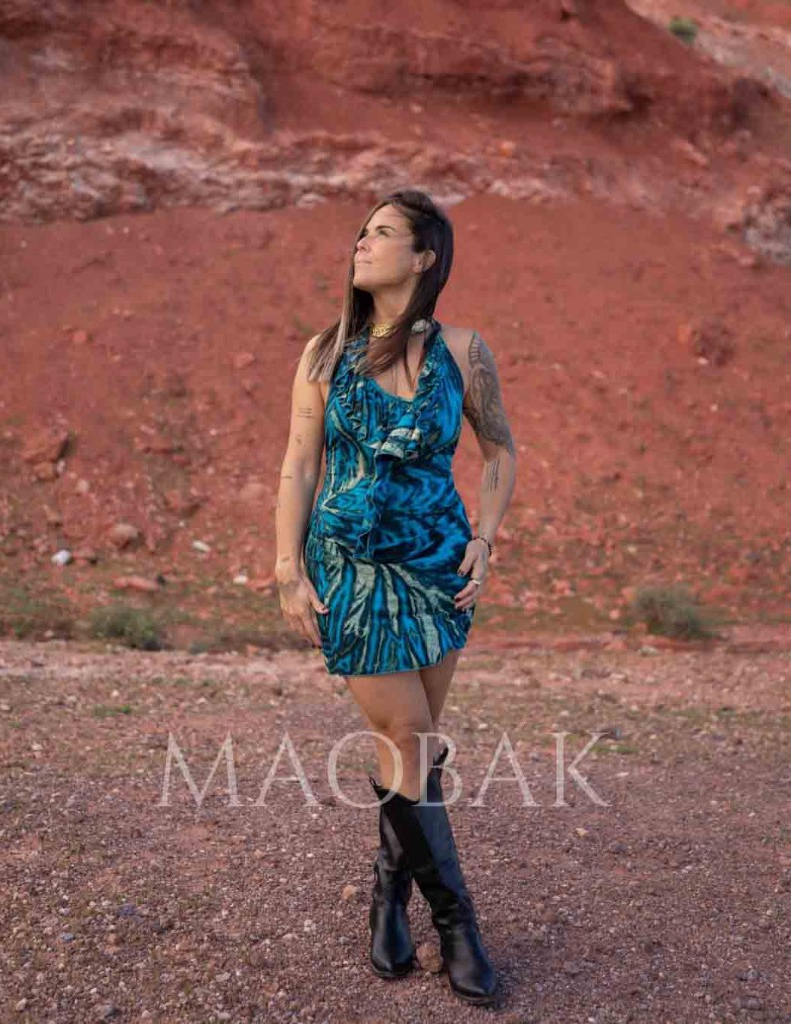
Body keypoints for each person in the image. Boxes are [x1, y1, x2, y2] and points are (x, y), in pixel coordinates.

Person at [274, 188, 517, 1006]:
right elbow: (299, 464)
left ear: (423, 256)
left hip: (440, 567)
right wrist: (287, 567)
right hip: (347, 566)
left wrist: (485, 537)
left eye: (380, 232)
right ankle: (458, 926)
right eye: (360, 231)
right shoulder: (324, 352)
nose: (360, 242)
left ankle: (388, 891)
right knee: (406, 732)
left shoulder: (464, 350)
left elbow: (499, 451)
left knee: (410, 747)